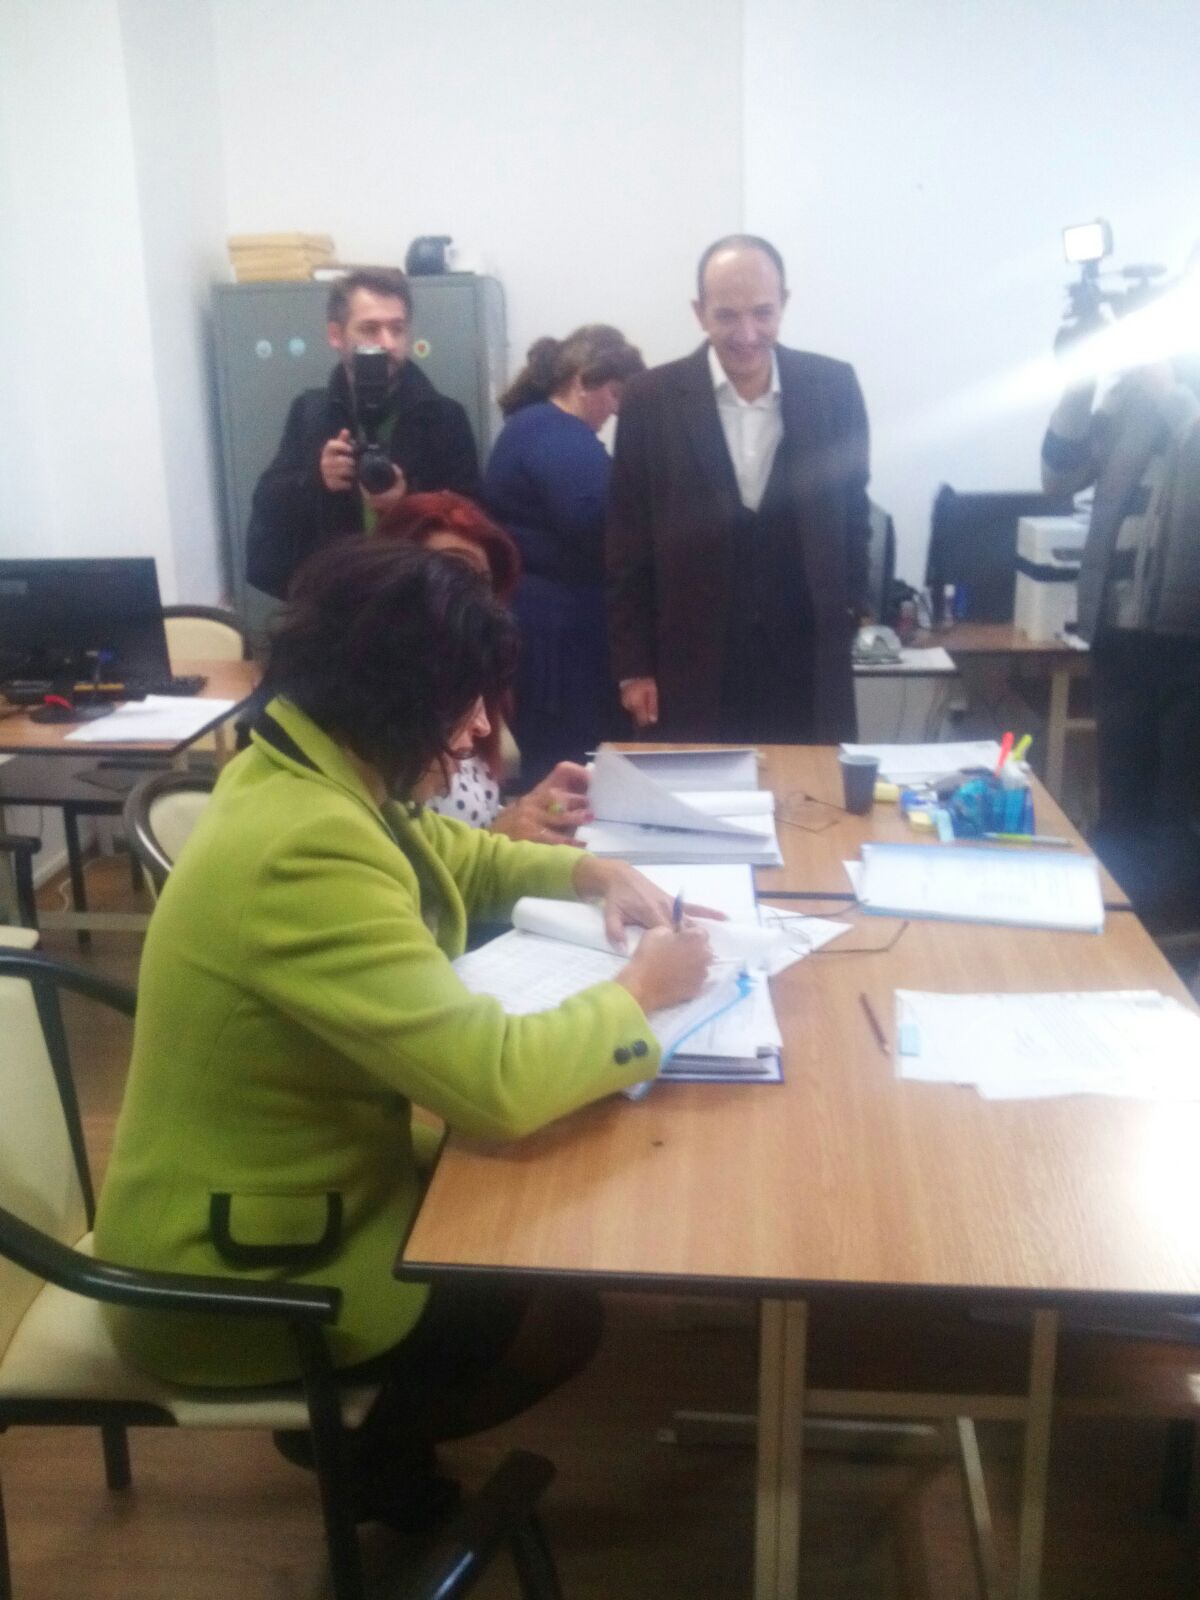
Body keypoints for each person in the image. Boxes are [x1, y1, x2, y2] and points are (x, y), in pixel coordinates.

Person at [93, 538, 712, 1528]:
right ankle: (362, 1452)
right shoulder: (305, 845)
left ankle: (371, 1450)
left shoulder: (309, 766)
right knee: (557, 1315)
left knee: (528, 1211)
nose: (480, 729)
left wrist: (584, 871)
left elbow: (456, 855)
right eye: (464, 702)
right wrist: (639, 993)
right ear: (392, 692)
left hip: (292, 1185)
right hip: (232, 1274)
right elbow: (496, 1081)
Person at [606, 234, 872, 743]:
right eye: (727, 315)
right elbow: (626, 543)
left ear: (784, 304)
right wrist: (633, 666)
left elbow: (854, 512)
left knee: (809, 788)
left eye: (763, 313)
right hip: (692, 659)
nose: (747, 334)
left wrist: (852, 612)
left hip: (806, 659)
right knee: (698, 786)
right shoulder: (650, 399)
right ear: (699, 312)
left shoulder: (833, 388)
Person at [1041, 286, 1200, 927]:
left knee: (1177, 813)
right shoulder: (1132, 395)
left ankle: (1171, 949)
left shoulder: (1169, 392)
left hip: (1188, 639)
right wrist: (1080, 380)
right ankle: (1119, 933)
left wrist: (1166, 387)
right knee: (1121, 803)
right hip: (1122, 632)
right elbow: (1058, 476)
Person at [245, 266, 482, 599]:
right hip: (334, 598)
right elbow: (269, 506)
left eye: (397, 329)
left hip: (415, 599)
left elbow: (472, 520)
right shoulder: (311, 413)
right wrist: (317, 477)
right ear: (336, 335)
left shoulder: (444, 417)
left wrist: (408, 502)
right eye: (370, 329)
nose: (387, 343)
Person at [378, 490, 593, 844]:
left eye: (482, 584)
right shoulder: (377, 708)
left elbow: (472, 828)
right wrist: (499, 838)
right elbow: (392, 861)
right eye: (451, 573)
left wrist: (532, 809)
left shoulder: (466, 680)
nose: (469, 599)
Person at [484, 326, 645, 781]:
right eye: (614, 394)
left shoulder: (529, 427)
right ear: (580, 381)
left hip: (541, 625)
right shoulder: (555, 432)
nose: (616, 410)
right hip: (558, 639)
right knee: (571, 765)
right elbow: (597, 521)